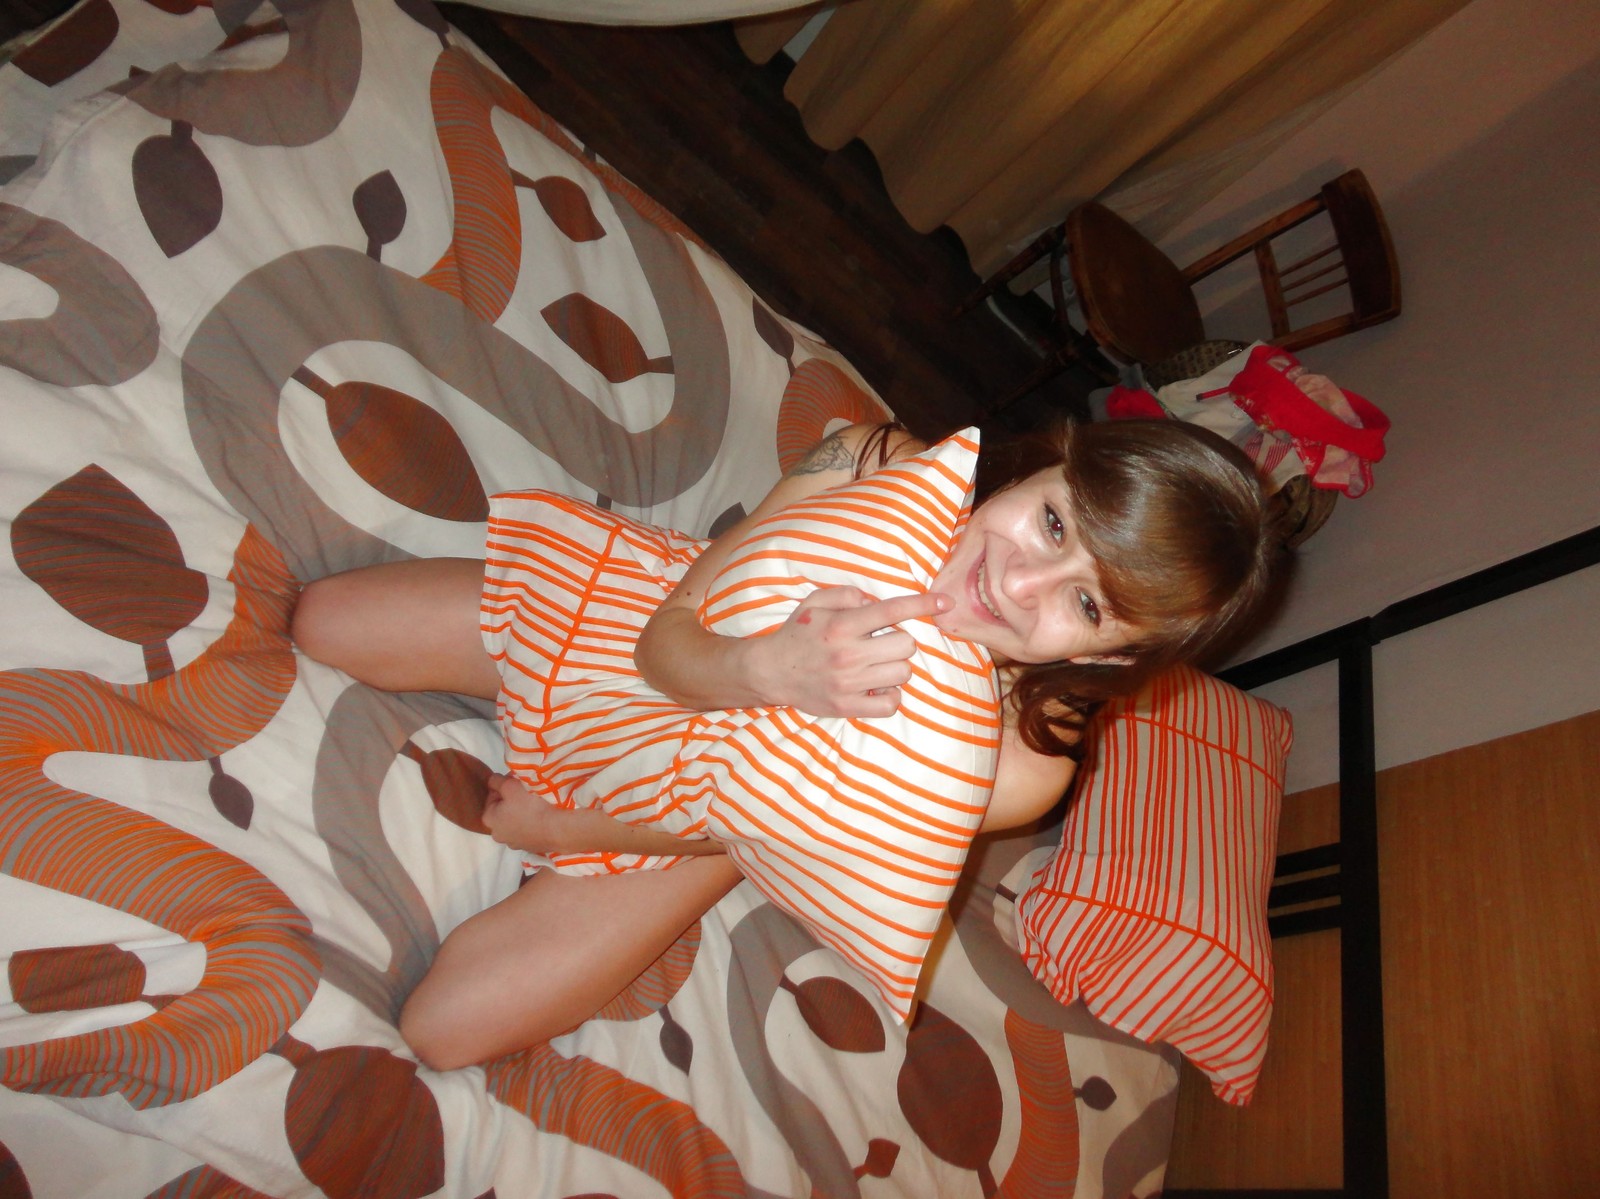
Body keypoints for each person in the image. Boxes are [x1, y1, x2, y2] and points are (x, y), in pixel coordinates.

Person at [292, 418, 1276, 1069]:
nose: (1016, 584)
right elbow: (667, 633)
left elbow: (748, 824)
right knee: (324, 622)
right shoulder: (871, 462)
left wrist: (572, 824)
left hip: (720, 815)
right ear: (1038, 466)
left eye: (1087, 603)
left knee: (444, 1028)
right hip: (668, 635)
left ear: (1114, 654)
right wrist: (766, 670)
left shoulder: (1022, 768)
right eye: (1053, 520)